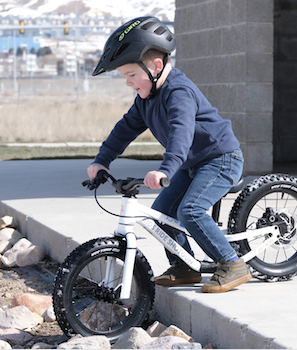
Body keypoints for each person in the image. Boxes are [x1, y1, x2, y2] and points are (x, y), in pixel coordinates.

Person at [86, 16, 248, 293]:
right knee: (161, 214)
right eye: (125, 77)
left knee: (190, 211)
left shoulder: (179, 92)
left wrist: (165, 169)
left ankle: (232, 263)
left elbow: (181, 134)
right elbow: (125, 129)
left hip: (220, 159)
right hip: (191, 164)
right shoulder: (146, 99)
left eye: (131, 75)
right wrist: (103, 159)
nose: (128, 83)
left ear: (156, 67)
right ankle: (184, 266)